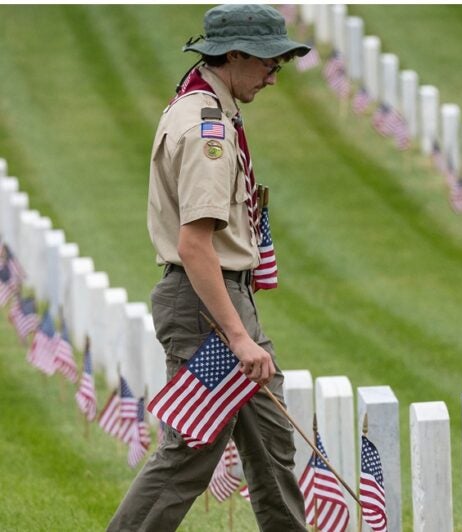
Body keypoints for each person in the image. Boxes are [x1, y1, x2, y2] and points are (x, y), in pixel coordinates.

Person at [108, 5, 310, 530]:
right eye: (268, 62)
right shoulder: (207, 130)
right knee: (191, 453)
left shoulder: (206, 109)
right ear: (235, 54)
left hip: (219, 299)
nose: (274, 74)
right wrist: (240, 338)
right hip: (207, 302)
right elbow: (195, 244)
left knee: (270, 445)